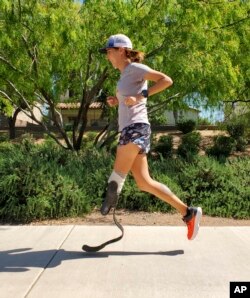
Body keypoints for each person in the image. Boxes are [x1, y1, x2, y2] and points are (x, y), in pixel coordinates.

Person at [99, 34, 202, 240]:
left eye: (109, 52)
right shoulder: (123, 76)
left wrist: (140, 96)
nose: (107, 56)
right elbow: (128, 100)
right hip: (133, 128)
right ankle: (188, 212)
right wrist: (116, 101)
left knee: (117, 174)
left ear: (121, 50)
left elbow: (166, 80)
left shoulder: (135, 68)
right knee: (144, 183)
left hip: (135, 128)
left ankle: (113, 189)